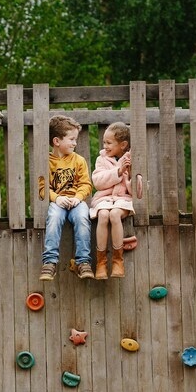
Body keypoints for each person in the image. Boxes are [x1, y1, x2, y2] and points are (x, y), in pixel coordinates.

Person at [38, 114, 94, 280]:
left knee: (83, 217)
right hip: (57, 202)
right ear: (57, 141)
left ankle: (83, 262)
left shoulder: (79, 160)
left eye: (75, 139)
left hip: (77, 202)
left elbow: (86, 184)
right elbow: (41, 187)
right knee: (54, 217)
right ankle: (49, 262)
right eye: (71, 139)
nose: (75, 143)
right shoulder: (45, 162)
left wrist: (78, 197)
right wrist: (56, 198)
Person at [90, 121, 134, 279]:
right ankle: (101, 262)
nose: (105, 146)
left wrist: (130, 183)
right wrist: (118, 171)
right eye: (104, 142)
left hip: (123, 199)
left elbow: (139, 189)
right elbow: (98, 182)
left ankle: (117, 260)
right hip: (105, 198)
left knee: (114, 214)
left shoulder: (132, 159)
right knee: (103, 215)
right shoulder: (101, 160)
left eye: (109, 143)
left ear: (123, 145)